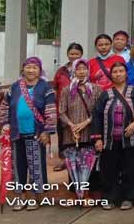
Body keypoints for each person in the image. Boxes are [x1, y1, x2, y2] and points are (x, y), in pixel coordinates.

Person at [0, 57, 57, 211]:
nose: (31, 70)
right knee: (18, 167)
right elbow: (4, 107)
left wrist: (47, 131)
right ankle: (21, 196)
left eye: (34, 68)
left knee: (36, 167)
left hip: (36, 134)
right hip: (16, 134)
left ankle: (35, 198)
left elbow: (51, 110)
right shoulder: (15, 87)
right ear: (23, 69)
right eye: (28, 67)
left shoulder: (46, 88)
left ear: (40, 70)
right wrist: (4, 124)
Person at [93, 60, 134, 210]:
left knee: (130, 169)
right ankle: (109, 198)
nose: (118, 74)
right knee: (109, 170)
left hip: (130, 139)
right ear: (111, 75)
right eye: (115, 72)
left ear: (126, 74)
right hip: (109, 140)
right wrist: (98, 139)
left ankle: (129, 198)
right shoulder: (105, 94)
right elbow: (97, 116)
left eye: (121, 71)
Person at [58, 58, 102, 201]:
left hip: (90, 133)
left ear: (89, 70)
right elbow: (61, 112)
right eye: (78, 69)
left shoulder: (96, 89)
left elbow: (99, 111)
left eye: (84, 68)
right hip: (71, 135)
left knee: (89, 164)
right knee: (73, 165)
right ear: (73, 71)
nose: (81, 72)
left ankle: (88, 195)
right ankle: (76, 195)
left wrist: (85, 123)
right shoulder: (66, 90)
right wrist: (72, 125)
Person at [52, 42, 84, 172]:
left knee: (81, 134)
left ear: (81, 54)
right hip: (62, 109)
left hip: (81, 109)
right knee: (63, 135)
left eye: (77, 54)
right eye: (71, 53)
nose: (74, 56)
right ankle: (64, 160)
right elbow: (55, 88)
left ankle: (80, 160)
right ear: (67, 54)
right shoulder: (61, 71)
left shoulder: (84, 68)